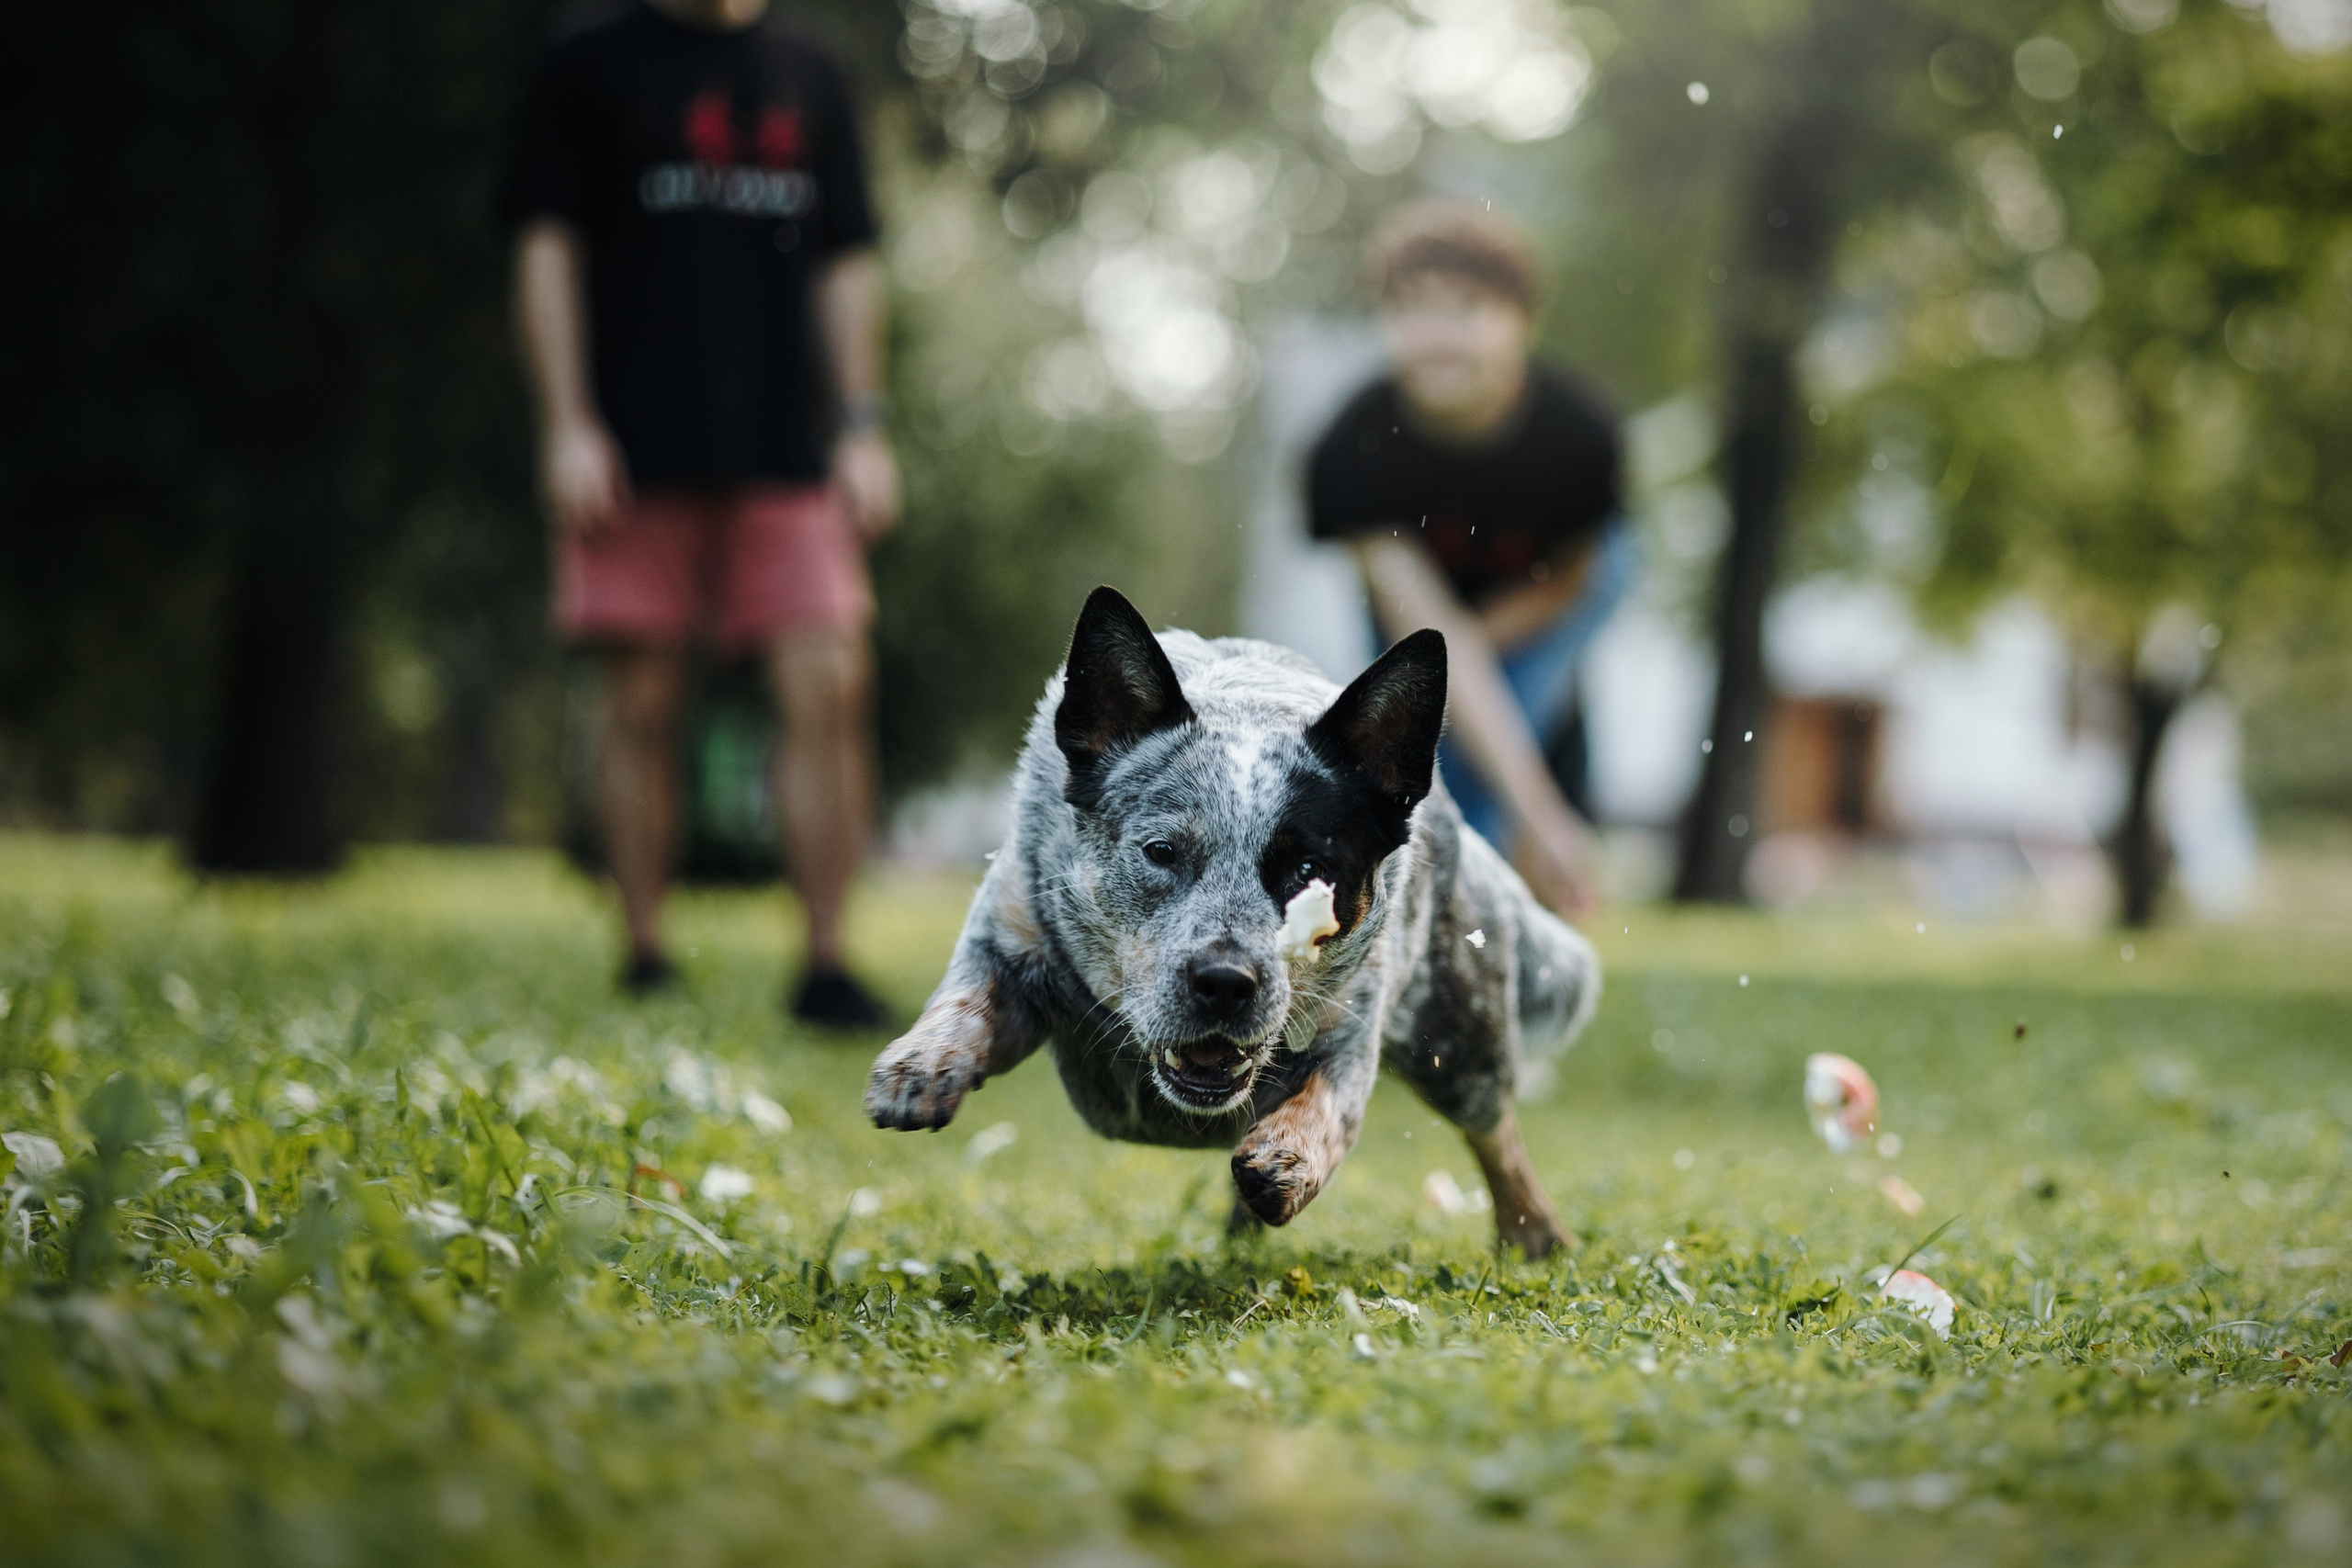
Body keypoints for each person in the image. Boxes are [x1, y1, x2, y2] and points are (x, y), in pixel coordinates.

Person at [501, 0, 898, 1023]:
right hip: (631, 451)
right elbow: (548, 248)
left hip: (789, 455)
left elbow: (846, 259)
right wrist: (567, 424)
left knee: (829, 684)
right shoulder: (585, 63)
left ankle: (825, 961)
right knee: (639, 708)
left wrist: (860, 426)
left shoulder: (809, 71)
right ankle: (643, 952)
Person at [1307, 201, 1638, 919]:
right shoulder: (1353, 448)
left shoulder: (1581, 439)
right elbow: (1427, 627)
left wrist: (1539, 810)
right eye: (1414, 310)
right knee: (1415, 754)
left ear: (1523, 321)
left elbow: (1566, 584)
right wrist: (1460, 679)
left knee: (1475, 762)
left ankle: (1476, 916)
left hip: (1557, 592)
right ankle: (1411, 911)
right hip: (1424, 616)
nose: (1439, 336)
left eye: (1468, 309)